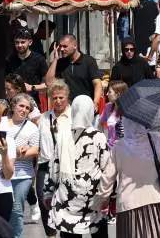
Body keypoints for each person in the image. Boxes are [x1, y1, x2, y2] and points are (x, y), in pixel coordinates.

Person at [97, 119, 160, 238]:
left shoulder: (119, 146)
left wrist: (103, 198)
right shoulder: (156, 139)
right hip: (154, 203)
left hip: (128, 205)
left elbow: (107, 178)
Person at [47, 95, 110, 238]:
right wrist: (109, 195)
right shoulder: (98, 136)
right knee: (99, 233)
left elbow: (54, 167)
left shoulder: (63, 134)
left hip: (66, 198)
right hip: (92, 199)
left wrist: (49, 191)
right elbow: (107, 167)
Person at [36, 80, 72, 237]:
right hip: (45, 165)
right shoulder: (43, 119)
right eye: (55, 97)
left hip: (67, 166)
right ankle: (50, 235)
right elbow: (36, 142)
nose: (58, 101)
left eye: (61, 97)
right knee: (44, 203)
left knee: (66, 206)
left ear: (67, 97)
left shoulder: (74, 116)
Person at [8, 94, 40, 238]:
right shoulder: (1, 123)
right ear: (13, 106)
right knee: (3, 210)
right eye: (21, 106)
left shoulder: (32, 128)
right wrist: (15, 150)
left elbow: (35, 149)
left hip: (23, 175)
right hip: (2, 174)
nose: (24, 110)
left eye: (27, 108)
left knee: (16, 210)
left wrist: (21, 152)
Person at [47, 34, 103, 106]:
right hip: (67, 108)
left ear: (75, 46)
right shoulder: (59, 63)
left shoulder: (89, 61)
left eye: (65, 46)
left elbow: (97, 83)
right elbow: (49, 82)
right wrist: (55, 59)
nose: (61, 49)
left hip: (85, 106)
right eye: (60, 46)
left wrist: (95, 102)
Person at [5, 28, 50, 98]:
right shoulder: (10, 60)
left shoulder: (39, 59)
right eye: (17, 42)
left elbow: (48, 84)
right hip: (15, 101)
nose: (19, 45)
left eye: (23, 42)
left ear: (30, 42)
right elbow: (6, 82)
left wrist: (32, 87)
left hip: (33, 102)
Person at [100, 80, 127, 149]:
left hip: (124, 149)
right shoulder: (108, 107)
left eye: (109, 92)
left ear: (118, 94)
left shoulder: (128, 110)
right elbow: (101, 123)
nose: (107, 94)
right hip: (110, 148)